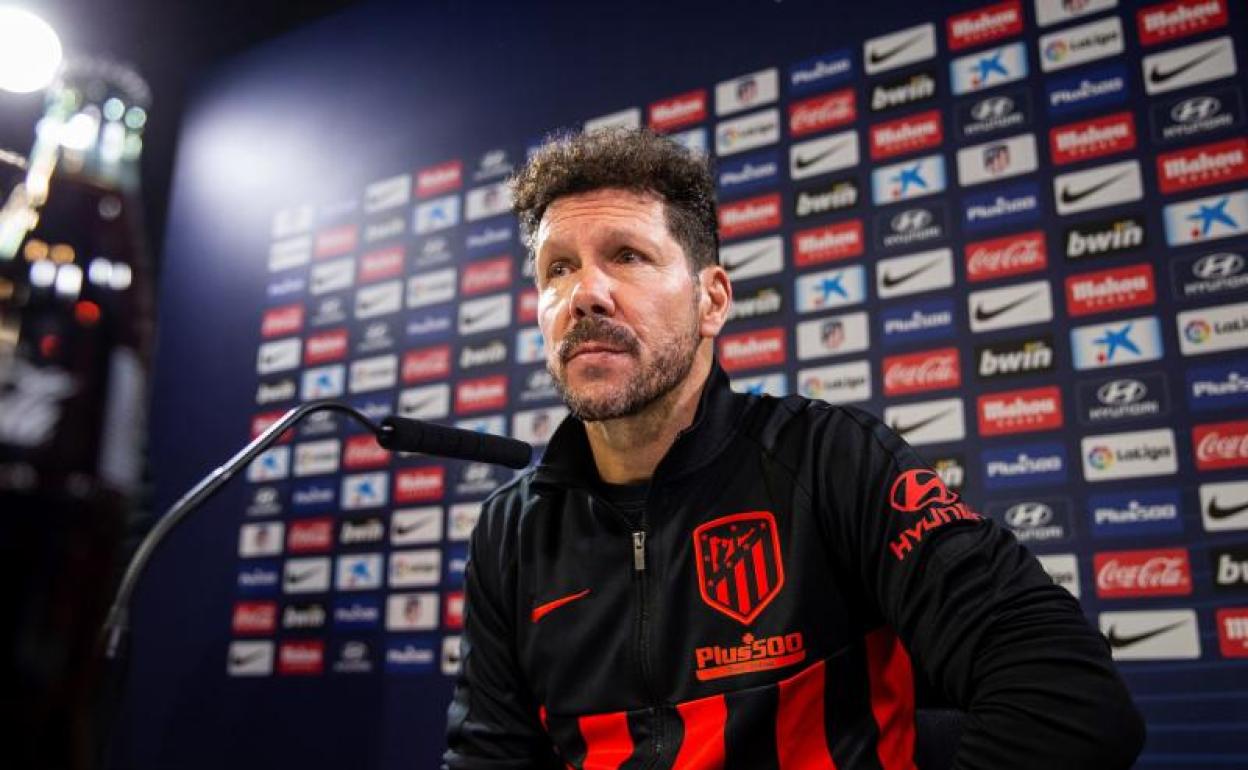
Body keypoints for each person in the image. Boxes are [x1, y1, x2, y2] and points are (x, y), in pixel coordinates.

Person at [443, 128, 1144, 769]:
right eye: (558, 269)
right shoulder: (511, 531)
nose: (585, 294)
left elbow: (1068, 700)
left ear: (712, 301)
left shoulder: (830, 459)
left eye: (626, 256)